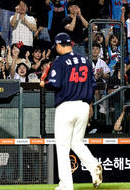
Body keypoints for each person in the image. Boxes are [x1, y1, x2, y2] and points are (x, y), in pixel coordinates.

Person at [41, 32, 103, 189]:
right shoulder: (85, 61)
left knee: (62, 146)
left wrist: (43, 84)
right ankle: (94, 166)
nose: (56, 49)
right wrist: (89, 105)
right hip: (83, 105)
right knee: (76, 142)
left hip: (66, 106)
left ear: (60, 45)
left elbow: (54, 84)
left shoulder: (60, 61)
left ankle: (66, 185)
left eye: (57, 46)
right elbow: (93, 85)